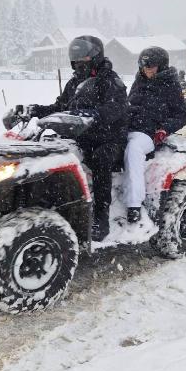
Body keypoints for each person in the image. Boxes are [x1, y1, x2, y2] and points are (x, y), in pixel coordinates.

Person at [29, 35, 127, 241]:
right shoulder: (74, 81)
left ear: (95, 56)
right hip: (80, 136)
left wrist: (95, 115)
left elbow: (116, 108)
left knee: (100, 160)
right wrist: (36, 110)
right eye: (76, 59)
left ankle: (101, 217)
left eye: (82, 58)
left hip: (108, 138)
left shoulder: (110, 80)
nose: (78, 63)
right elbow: (61, 106)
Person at [123, 46, 186, 224]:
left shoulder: (170, 84)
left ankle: (134, 204)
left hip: (148, 132)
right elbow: (128, 104)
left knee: (133, 149)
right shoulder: (139, 80)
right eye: (143, 65)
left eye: (150, 66)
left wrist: (164, 129)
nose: (146, 69)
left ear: (161, 66)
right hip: (127, 127)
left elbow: (182, 115)